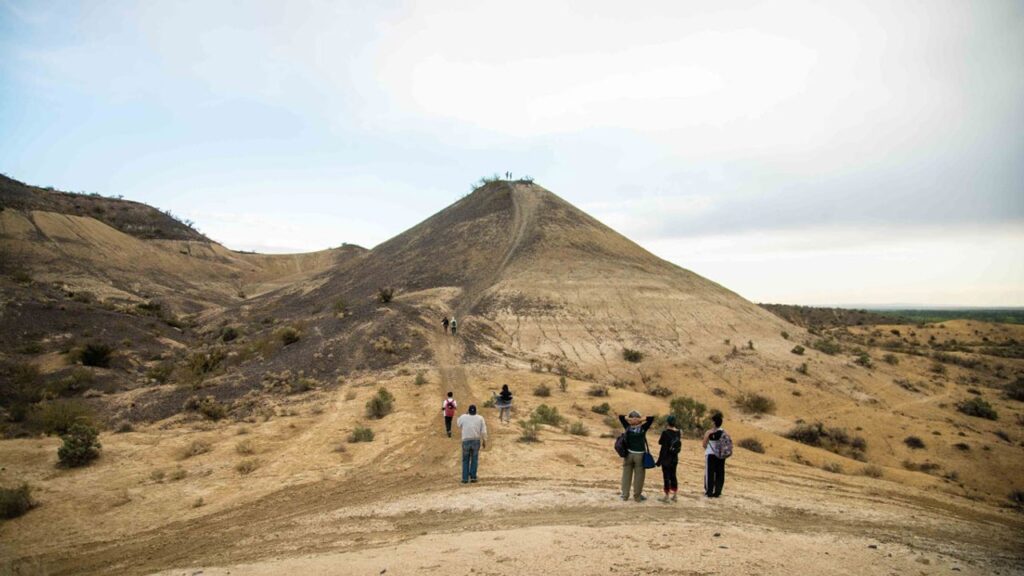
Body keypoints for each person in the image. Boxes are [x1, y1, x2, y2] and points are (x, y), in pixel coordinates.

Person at [618, 410, 655, 502]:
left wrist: (630, 419)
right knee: (639, 477)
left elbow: (621, 417)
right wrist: (639, 420)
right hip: (640, 456)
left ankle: (625, 495)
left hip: (628, 455)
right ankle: (637, 497)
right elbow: (651, 418)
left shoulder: (627, 427)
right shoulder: (643, 428)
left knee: (626, 475)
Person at [457, 405, 487, 483]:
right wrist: (484, 440)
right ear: (476, 411)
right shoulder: (480, 418)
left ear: (468, 411)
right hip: (476, 440)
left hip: (466, 440)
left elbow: (458, 424)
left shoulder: (463, 417)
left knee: (465, 460)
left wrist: (465, 414)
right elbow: (483, 431)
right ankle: (473, 477)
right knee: (474, 459)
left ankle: (465, 478)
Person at [656, 415, 682, 502]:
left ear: (668, 422)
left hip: (666, 458)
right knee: (673, 475)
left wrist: (659, 461)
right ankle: (675, 495)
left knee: (666, 477)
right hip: (675, 458)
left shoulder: (665, 433)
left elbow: (660, 443)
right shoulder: (678, 432)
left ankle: (666, 496)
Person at [702, 412, 726, 498]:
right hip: (721, 455)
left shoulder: (709, 432)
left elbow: (704, 444)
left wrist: (709, 447)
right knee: (720, 473)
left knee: (710, 473)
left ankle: (709, 492)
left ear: (714, 422)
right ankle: (718, 492)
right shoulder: (724, 432)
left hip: (711, 454)